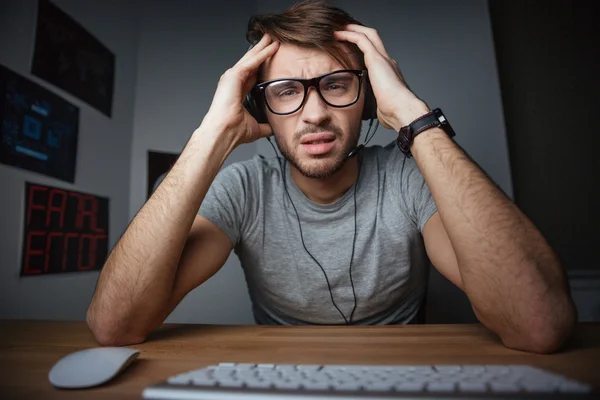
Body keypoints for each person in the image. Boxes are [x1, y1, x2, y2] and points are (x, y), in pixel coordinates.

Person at [87, 0, 576, 353]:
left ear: (366, 99)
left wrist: (412, 115)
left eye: (337, 85)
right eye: (285, 91)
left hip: (403, 374)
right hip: (284, 379)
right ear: (261, 107)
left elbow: (539, 325)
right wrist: (212, 135)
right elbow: (115, 325)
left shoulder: (410, 176)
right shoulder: (245, 189)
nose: (314, 114)